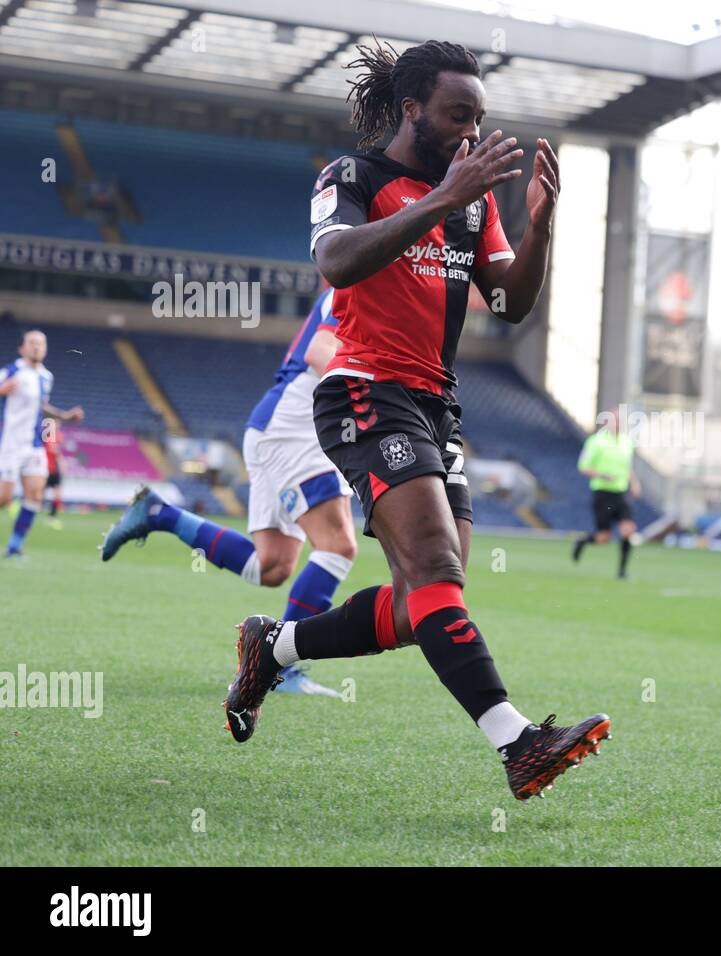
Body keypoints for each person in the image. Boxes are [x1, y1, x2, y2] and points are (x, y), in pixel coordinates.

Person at [221, 38, 609, 801]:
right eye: (456, 115)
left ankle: (278, 645)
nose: (471, 132)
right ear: (410, 110)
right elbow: (336, 264)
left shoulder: (474, 200)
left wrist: (540, 225)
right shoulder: (353, 177)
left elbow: (509, 302)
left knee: (427, 598)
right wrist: (441, 196)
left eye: (480, 118)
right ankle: (518, 742)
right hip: (365, 388)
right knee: (435, 570)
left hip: (437, 404)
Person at [101, 288, 358, 696]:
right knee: (338, 546)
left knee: (272, 565)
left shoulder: (373, 279)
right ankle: (280, 668)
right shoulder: (358, 283)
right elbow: (320, 350)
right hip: (296, 427)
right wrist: (375, 392)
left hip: (285, 427)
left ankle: (159, 514)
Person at [0, 330, 85, 557]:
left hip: (34, 445)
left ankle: (14, 547)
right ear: (22, 348)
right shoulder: (11, 372)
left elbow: (41, 406)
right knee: (4, 499)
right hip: (10, 444)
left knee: (35, 496)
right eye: (32, 343)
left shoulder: (46, 377)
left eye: (41, 343)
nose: (36, 347)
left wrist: (65, 416)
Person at [572, 406, 640, 579]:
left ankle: (622, 571)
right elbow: (583, 467)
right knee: (604, 537)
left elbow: (627, 466)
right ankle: (582, 542)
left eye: (619, 420)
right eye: (613, 420)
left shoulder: (626, 442)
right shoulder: (596, 442)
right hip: (603, 493)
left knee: (628, 530)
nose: (617, 423)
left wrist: (635, 483)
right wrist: (602, 474)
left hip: (620, 493)